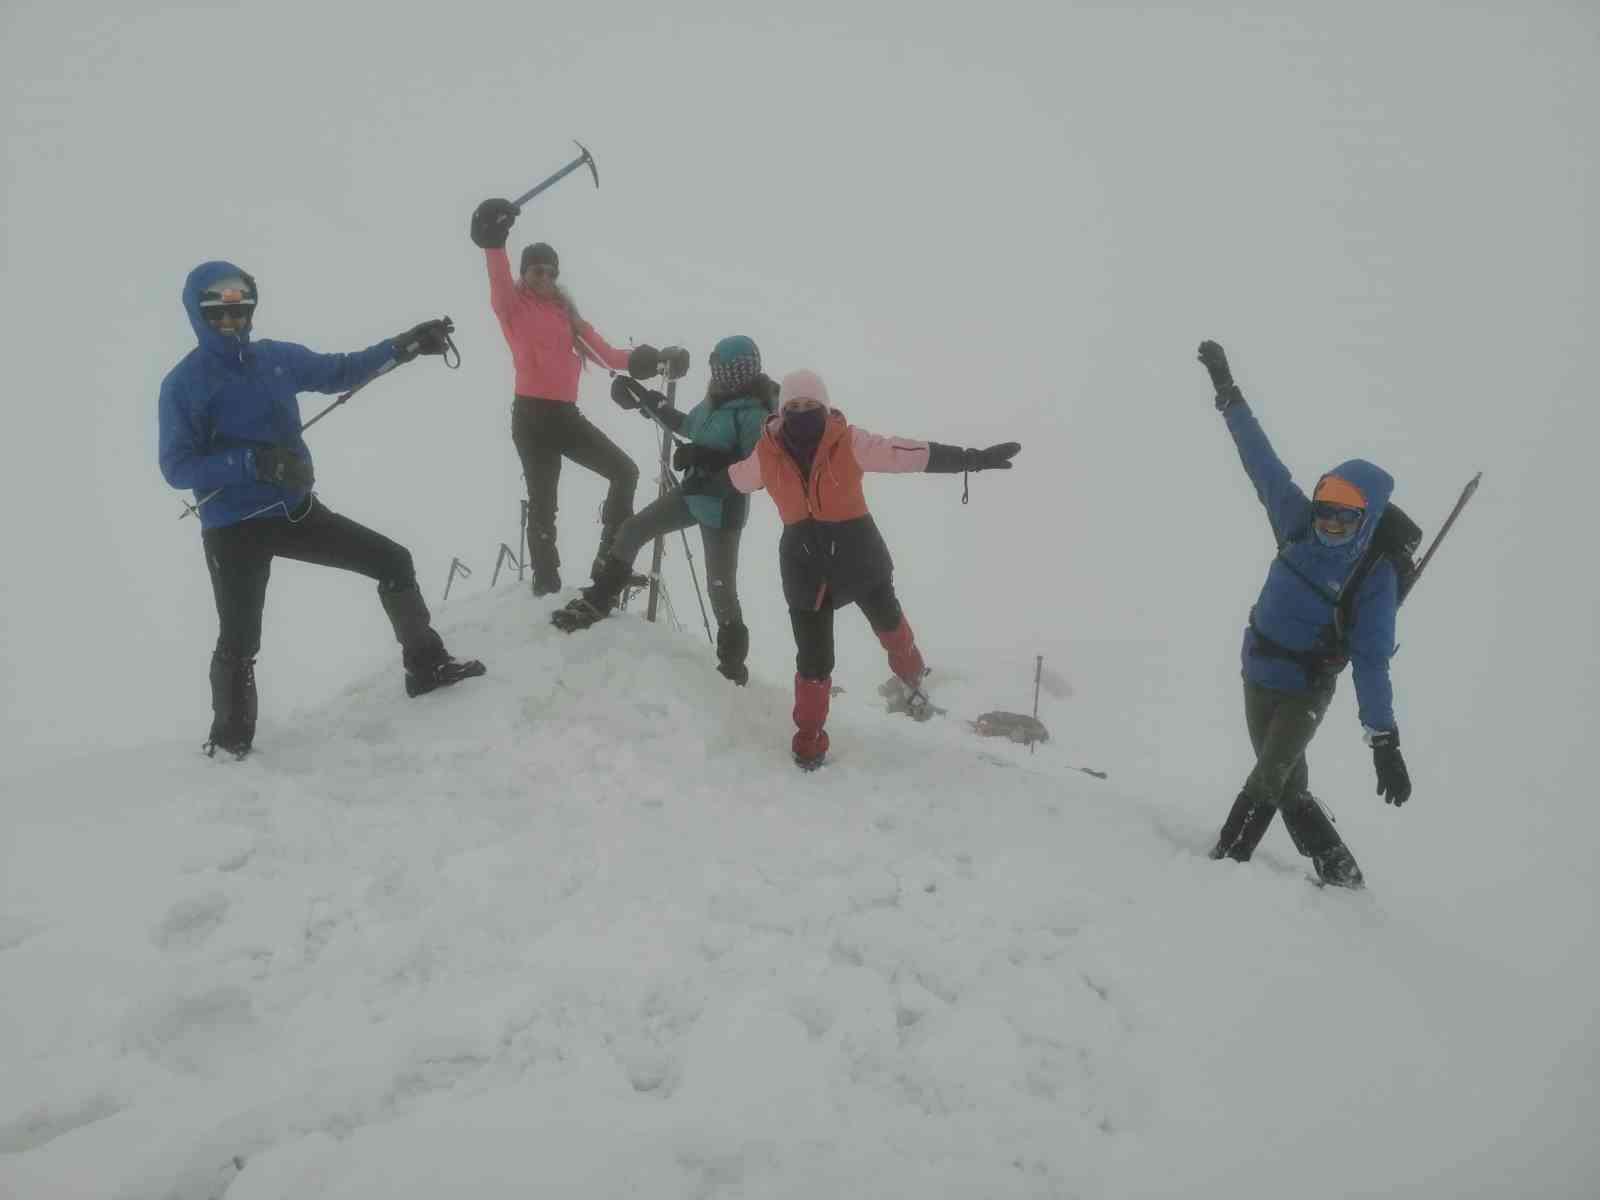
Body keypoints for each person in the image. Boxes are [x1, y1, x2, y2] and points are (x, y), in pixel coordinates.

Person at [158, 260, 485, 760]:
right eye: (218, 315)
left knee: (392, 561)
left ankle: (426, 667)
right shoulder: (184, 383)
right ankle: (229, 743)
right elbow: (177, 467)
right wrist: (253, 461)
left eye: (239, 312)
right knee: (241, 639)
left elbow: (342, 370)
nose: (231, 323)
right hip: (233, 528)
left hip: (295, 511)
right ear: (198, 316)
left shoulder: (276, 358)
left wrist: (404, 346)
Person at [722, 368, 1020, 768]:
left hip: (857, 554)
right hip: (804, 566)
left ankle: (913, 676)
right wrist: (703, 466)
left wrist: (970, 460)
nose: (803, 411)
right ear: (781, 410)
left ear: (825, 407)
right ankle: (809, 738)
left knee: (891, 627)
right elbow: (737, 480)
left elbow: (907, 454)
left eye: (811, 405)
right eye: (794, 406)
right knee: (813, 659)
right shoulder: (766, 452)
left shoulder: (848, 440)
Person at [1199, 339, 1412, 888]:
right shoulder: (1296, 523)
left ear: (1365, 521)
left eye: (1343, 521)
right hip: (1257, 670)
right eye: (1324, 514)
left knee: (1267, 778)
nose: (1327, 528)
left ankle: (1222, 865)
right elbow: (1260, 461)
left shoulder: (1374, 578)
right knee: (1289, 783)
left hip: (1304, 688)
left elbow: (1371, 662)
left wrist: (1383, 741)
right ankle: (1339, 869)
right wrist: (1228, 393)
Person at [550, 336, 777, 686]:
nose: (717, 375)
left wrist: (704, 460)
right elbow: (688, 425)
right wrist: (645, 399)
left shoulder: (755, 417)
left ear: (741, 371)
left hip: (722, 512)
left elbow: (758, 474)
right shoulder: (715, 400)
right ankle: (600, 597)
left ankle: (732, 668)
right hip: (691, 496)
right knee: (633, 529)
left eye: (724, 369)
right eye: (716, 368)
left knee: (720, 589)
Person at [470, 197, 650, 595]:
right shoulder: (512, 306)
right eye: (537, 270)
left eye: (551, 271)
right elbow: (498, 275)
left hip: (566, 417)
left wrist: (649, 359)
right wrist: (493, 240)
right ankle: (546, 585)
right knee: (543, 503)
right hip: (531, 417)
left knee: (625, 472)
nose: (545, 277)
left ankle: (609, 563)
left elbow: (610, 355)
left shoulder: (568, 314)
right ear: (525, 273)